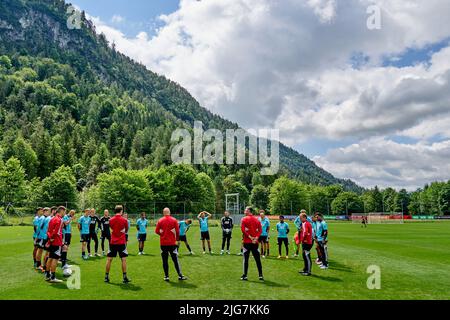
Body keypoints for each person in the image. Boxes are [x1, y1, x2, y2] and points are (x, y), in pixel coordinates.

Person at [155, 208, 187, 281]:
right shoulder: (174, 220)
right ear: (169, 212)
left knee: (165, 260)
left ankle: (166, 276)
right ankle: (180, 275)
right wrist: (177, 239)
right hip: (172, 243)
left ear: (163, 213)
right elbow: (178, 231)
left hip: (163, 243)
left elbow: (156, 231)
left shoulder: (160, 220)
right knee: (175, 259)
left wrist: (162, 234)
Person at [105, 205, 130, 284]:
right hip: (121, 242)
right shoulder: (124, 220)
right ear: (121, 211)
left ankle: (106, 277)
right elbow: (126, 230)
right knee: (123, 259)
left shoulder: (111, 220)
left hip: (113, 242)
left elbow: (111, 228)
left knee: (109, 259)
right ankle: (124, 277)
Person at [240, 206, 263, 281]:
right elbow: (260, 230)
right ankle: (260, 275)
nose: (244, 211)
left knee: (246, 259)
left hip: (247, 242)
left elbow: (243, 230)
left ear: (249, 211)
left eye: (245, 210)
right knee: (257, 259)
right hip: (255, 242)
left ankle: (245, 275)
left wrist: (250, 237)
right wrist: (256, 238)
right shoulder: (257, 219)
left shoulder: (244, 219)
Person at [45, 206, 66, 283]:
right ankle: (53, 277)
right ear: (61, 211)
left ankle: (47, 275)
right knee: (55, 259)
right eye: (64, 212)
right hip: (56, 242)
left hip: (52, 241)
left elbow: (48, 230)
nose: (64, 213)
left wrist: (49, 239)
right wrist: (53, 238)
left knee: (50, 258)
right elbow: (56, 232)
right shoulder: (59, 219)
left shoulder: (52, 218)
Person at [35, 207, 50, 272]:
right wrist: (37, 237)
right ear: (45, 211)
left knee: (41, 250)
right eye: (49, 211)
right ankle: (38, 265)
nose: (49, 212)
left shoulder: (45, 218)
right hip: (41, 237)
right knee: (40, 250)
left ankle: (41, 265)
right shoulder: (42, 218)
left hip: (44, 236)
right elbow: (38, 228)